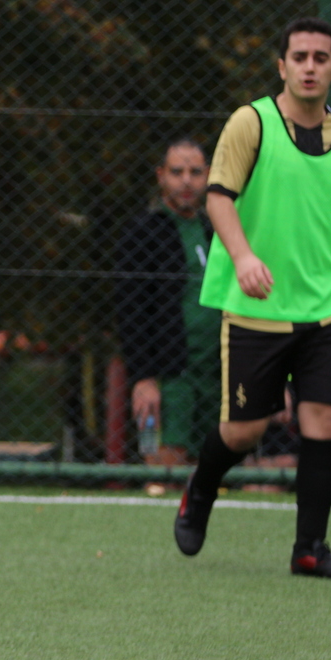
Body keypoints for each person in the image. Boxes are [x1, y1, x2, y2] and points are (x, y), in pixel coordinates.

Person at [174, 17, 331, 580]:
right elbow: (218, 199)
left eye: (320, 58)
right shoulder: (250, 123)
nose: (309, 67)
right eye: (299, 57)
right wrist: (244, 258)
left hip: (324, 306)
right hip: (257, 310)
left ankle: (310, 549)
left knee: (324, 421)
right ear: (282, 66)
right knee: (245, 431)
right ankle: (201, 489)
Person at [115, 139, 221, 465]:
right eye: (177, 172)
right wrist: (143, 377)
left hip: (215, 373)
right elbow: (130, 310)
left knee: (212, 466)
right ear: (161, 176)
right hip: (170, 375)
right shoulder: (143, 232)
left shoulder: (216, 230)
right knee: (165, 464)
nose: (186, 181)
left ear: (208, 175)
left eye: (195, 172)